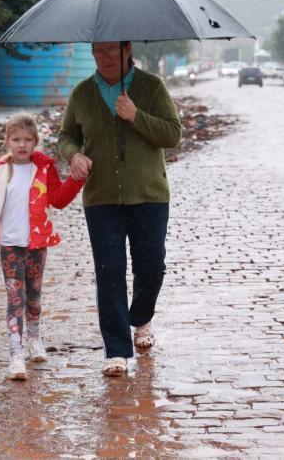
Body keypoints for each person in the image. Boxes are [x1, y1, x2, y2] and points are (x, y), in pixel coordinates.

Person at [58, 41, 182, 377]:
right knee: (109, 273)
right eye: (99, 51)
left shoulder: (151, 87)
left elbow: (173, 134)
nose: (105, 57)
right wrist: (74, 155)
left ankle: (141, 317)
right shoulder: (83, 94)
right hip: (101, 198)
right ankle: (116, 350)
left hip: (149, 194)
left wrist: (136, 116)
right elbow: (66, 135)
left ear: (127, 49)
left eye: (112, 50)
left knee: (152, 267)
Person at [0, 113, 84, 380]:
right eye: (16, 139)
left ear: (36, 142)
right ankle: (16, 353)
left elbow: (59, 199)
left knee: (34, 295)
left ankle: (34, 338)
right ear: (6, 140)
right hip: (10, 244)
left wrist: (76, 179)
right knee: (15, 298)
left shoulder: (43, 169)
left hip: (37, 244)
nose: (22, 145)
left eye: (28, 140)